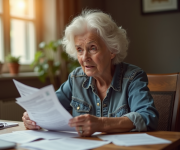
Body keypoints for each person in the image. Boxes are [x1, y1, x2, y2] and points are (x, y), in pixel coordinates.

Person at [22, 9, 159, 137]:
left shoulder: (133, 77)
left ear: (112, 50)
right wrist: (32, 116)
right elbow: (49, 108)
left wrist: (101, 124)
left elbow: (148, 117)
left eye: (92, 48)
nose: (84, 57)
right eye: (80, 50)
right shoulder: (75, 79)